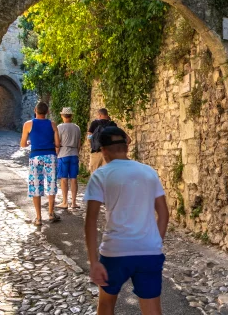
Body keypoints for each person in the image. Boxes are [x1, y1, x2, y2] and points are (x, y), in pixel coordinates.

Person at [84, 126, 169, 315]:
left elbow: (90, 221)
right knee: (153, 310)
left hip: (115, 251)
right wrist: (155, 242)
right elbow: (163, 213)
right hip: (149, 251)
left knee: (106, 305)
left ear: (103, 150)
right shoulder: (149, 172)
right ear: (126, 147)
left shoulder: (100, 175)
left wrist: (93, 262)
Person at [20, 102, 61, 226]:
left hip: (35, 156)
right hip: (50, 155)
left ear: (35, 110)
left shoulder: (28, 124)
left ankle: (38, 218)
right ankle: (50, 213)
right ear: (47, 112)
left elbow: (22, 144)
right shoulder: (53, 125)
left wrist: (28, 143)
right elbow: (58, 144)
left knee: (35, 185)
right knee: (52, 184)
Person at [87, 108, 131, 173]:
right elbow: (128, 139)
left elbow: (89, 138)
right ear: (107, 115)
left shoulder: (94, 123)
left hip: (96, 153)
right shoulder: (113, 125)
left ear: (99, 115)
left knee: (94, 177)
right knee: (107, 176)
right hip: (108, 154)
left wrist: (94, 144)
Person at [57, 107, 81, 209]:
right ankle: (74, 202)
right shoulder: (77, 128)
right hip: (74, 153)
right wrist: (76, 152)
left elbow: (57, 143)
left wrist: (56, 154)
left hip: (63, 153)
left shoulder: (60, 127)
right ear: (71, 116)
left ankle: (65, 201)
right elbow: (79, 144)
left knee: (63, 179)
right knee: (74, 179)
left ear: (62, 116)